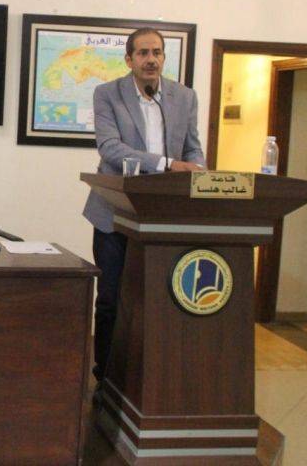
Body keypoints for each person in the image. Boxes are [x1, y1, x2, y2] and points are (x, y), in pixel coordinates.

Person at [82, 27, 206, 382]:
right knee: (111, 298)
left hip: (162, 216)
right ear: (129, 59)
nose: (151, 60)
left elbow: (192, 148)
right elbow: (110, 148)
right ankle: (105, 376)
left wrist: (198, 169)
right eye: (143, 53)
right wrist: (167, 165)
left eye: (157, 52)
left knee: (156, 299)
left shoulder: (184, 97)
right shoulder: (108, 94)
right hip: (113, 213)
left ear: (164, 57)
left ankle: (147, 377)